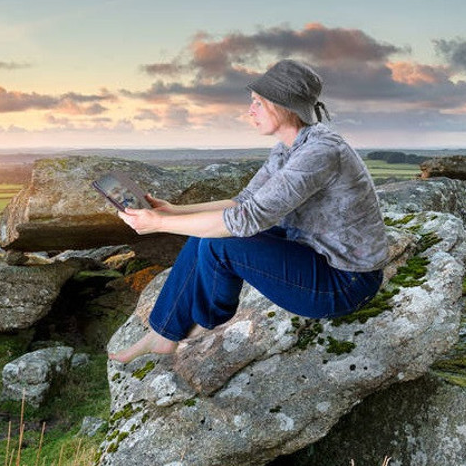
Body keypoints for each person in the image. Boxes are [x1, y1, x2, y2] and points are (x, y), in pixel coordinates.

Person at [109, 59, 389, 363]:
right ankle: (163, 333)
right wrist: (175, 211)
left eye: (258, 102)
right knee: (203, 232)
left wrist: (160, 224)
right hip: (312, 251)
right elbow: (243, 202)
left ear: (285, 104)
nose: (250, 110)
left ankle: (204, 324)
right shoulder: (288, 147)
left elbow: (246, 220)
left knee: (221, 241)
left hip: (345, 282)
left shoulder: (320, 151)